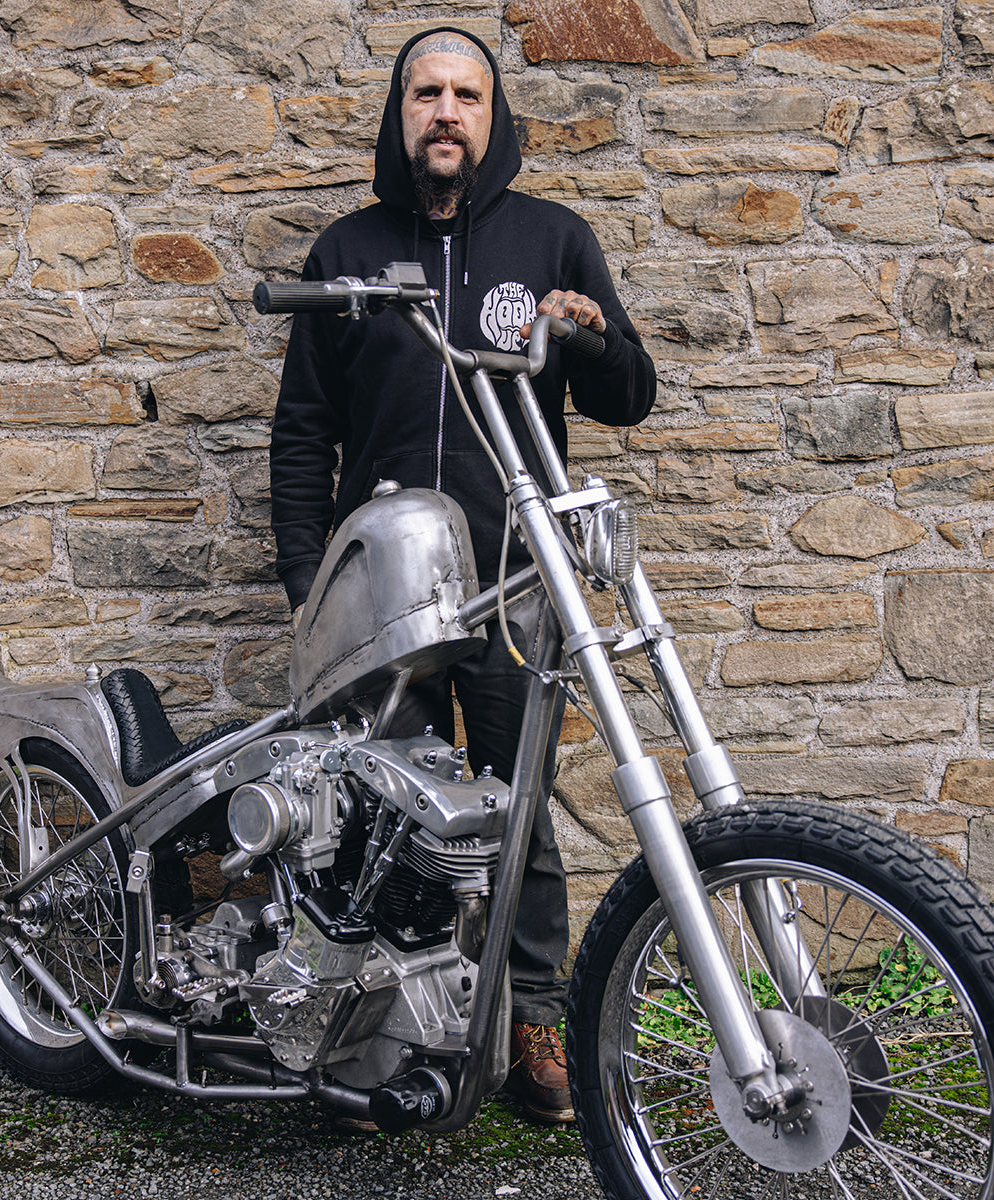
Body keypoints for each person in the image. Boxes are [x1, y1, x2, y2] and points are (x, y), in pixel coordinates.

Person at [268, 26, 656, 1124]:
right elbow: (303, 433)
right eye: (427, 94)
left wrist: (588, 338)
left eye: (467, 96)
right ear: (400, 114)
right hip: (378, 599)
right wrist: (306, 583)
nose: (446, 112)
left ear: (494, 116)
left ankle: (533, 1020)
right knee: (367, 815)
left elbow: (631, 396)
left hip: (513, 587)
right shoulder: (347, 249)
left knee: (518, 815)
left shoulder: (554, 239)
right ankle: (367, 1030)